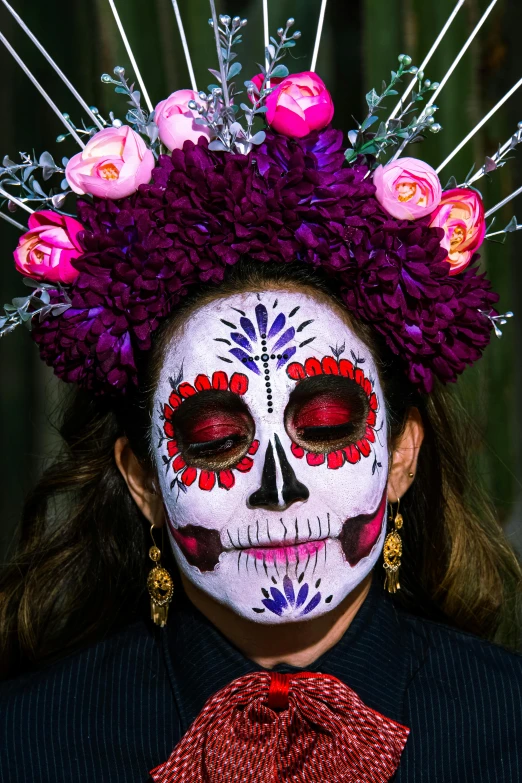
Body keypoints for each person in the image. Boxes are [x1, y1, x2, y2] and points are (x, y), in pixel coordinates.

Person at [0, 6, 522, 782]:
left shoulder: (507, 729)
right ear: (142, 478)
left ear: (403, 453)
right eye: (213, 438)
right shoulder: (29, 743)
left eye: (327, 424)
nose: (280, 489)